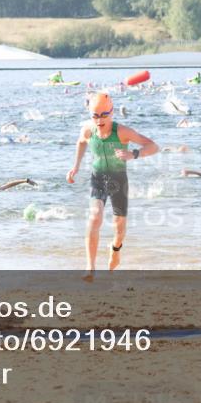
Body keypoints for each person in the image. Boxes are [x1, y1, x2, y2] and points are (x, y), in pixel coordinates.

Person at [67, 92, 158, 281]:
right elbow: (81, 142)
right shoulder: (88, 129)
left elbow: (152, 146)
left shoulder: (122, 132)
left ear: (112, 112)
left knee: (119, 228)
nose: (99, 120)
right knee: (95, 217)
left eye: (104, 115)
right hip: (98, 178)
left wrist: (133, 154)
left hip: (118, 181)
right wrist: (75, 166)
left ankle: (115, 250)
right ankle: (90, 267)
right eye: (95, 116)